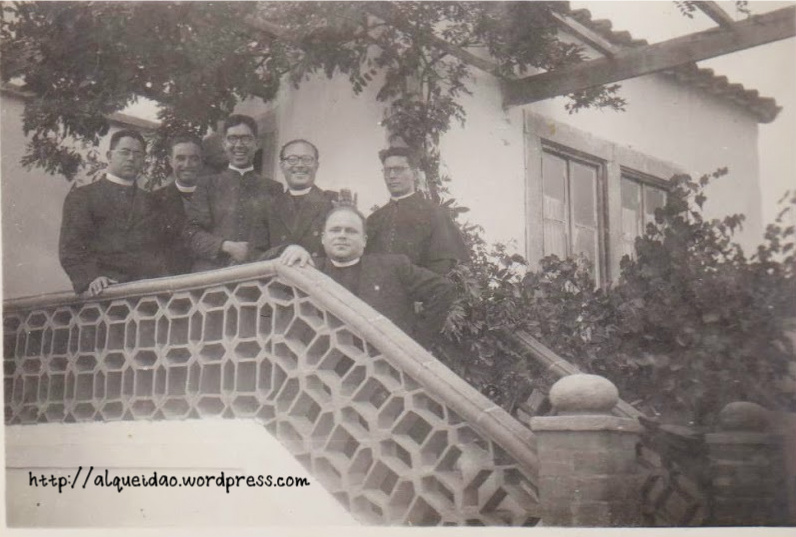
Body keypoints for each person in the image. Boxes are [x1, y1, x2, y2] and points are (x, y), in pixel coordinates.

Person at [281, 206, 458, 344]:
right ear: (323, 238)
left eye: (351, 231)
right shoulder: (308, 269)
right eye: (335, 230)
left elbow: (443, 289)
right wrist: (290, 248)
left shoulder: (392, 267)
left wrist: (416, 342)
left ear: (364, 240)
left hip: (382, 367)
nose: (342, 236)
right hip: (323, 364)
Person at [59, 129, 170, 296]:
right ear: (109, 156)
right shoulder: (83, 197)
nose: (131, 158)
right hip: (104, 291)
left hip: (147, 292)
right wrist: (92, 277)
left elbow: (160, 251)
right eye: (125, 152)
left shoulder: (152, 202)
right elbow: (71, 248)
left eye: (138, 154)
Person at [184, 114, 283, 272]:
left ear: (257, 144)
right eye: (232, 138)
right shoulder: (207, 185)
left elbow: (278, 238)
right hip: (213, 275)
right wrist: (225, 246)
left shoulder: (273, 188)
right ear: (224, 144)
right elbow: (191, 233)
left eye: (246, 139)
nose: (239, 145)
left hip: (256, 276)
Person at [366, 146, 469, 274]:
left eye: (398, 169)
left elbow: (443, 265)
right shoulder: (374, 219)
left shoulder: (435, 214)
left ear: (414, 174)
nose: (391, 176)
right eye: (387, 170)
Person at [252, 139, 338, 261]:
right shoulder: (268, 207)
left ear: (316, 165)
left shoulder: (332, 202)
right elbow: (255, 255)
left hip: (318, 271)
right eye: (292, 159)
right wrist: (284, 251)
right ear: (282, 166)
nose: (300, 165)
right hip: (281, 272)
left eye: (307, 159)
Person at [155, 133, 203, 274]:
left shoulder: (217, 196)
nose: (187, 165)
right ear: (170, 161)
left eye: (194, 159)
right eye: (180, 158)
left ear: (202, 161)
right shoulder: (154, 200)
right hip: (171, 279)